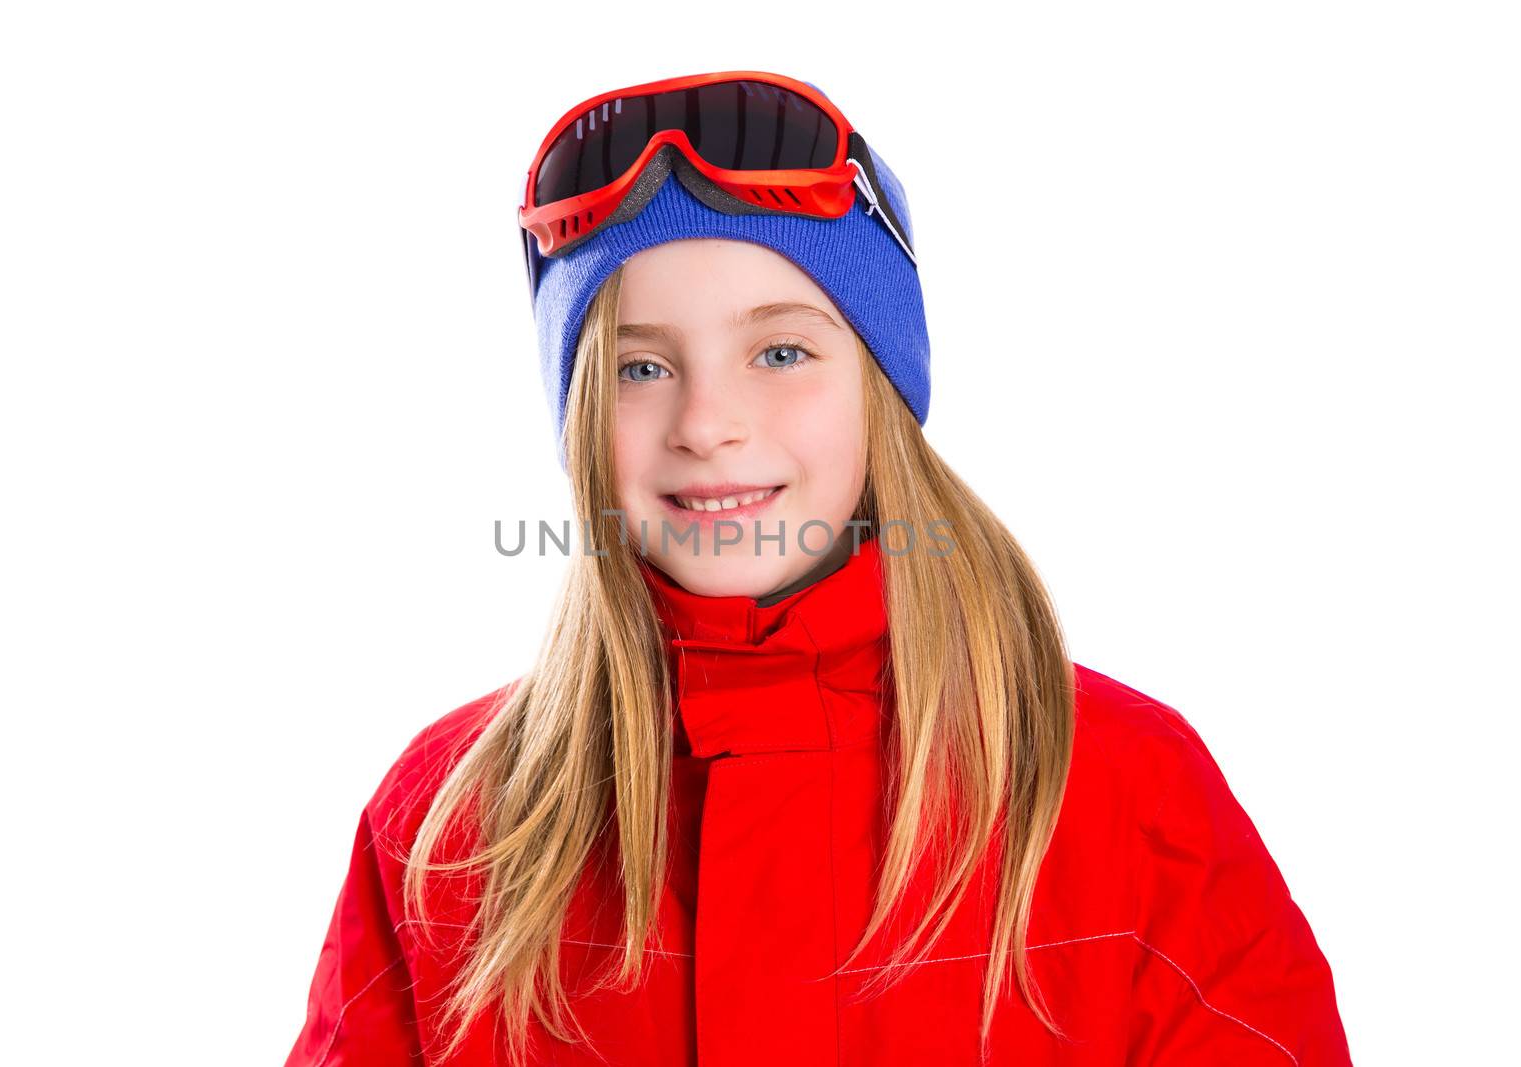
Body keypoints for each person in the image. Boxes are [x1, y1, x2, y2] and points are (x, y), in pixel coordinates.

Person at [283, 71, 1352, 1066]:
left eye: (780, 351)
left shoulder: (1119, 788)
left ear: (880, 383)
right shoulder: (449, 826)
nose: (707, 423)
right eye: (640, 366)